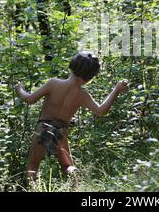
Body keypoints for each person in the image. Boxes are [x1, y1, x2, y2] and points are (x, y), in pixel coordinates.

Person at [15, 51, 129, 179]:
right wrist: (116, 90)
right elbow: (100, 111)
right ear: (90, 77)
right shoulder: (83, 95)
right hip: (61, 131)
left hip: (43, 128)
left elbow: (30, 99)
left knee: (32, 167)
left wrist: (19, 89)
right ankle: (74, 181)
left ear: (72, 66)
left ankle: (33, 188)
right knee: (67, 166)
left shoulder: (53, 83)